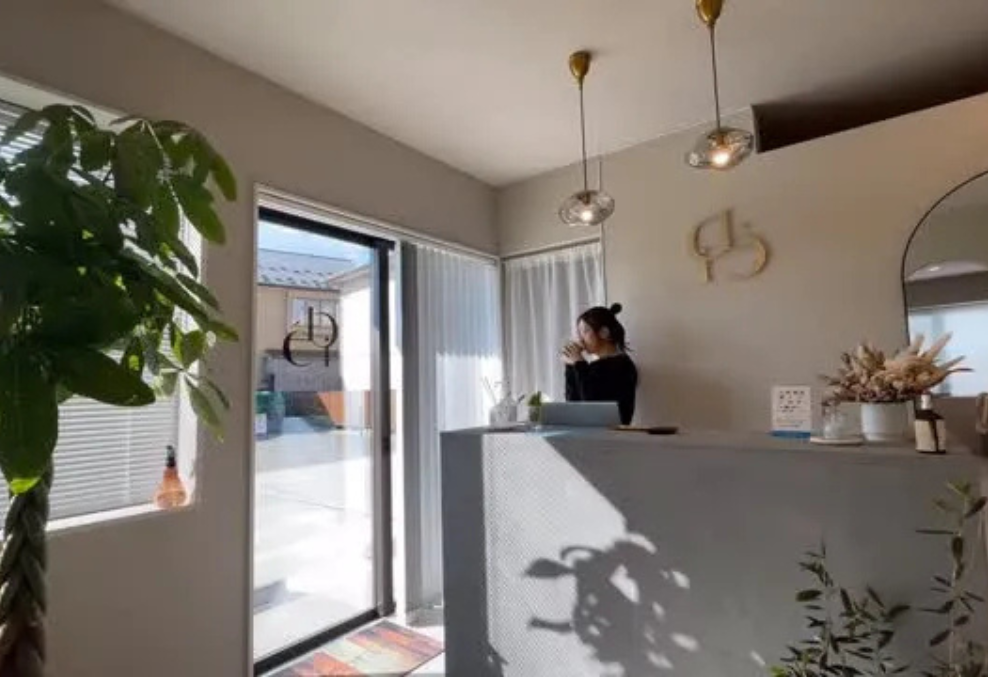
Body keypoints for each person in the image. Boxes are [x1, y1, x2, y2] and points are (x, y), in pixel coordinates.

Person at [563, 303, 639, 425]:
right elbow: (572, 404)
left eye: (585, 331)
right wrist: (571, 366)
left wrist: (578, 363)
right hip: (587, 432)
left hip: (612, 434)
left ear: (604, 332)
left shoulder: (622, 365)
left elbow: (592, 405)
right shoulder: (591, 367)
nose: (580, 339)